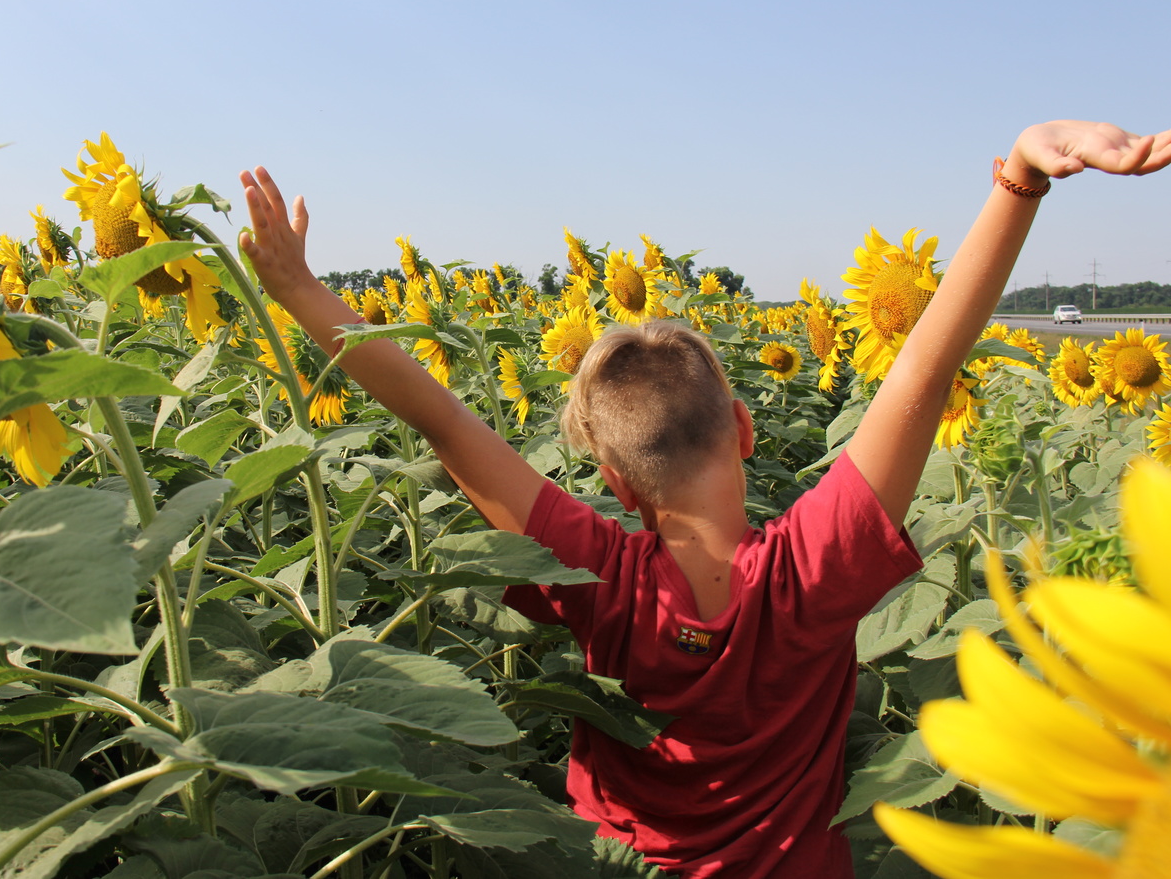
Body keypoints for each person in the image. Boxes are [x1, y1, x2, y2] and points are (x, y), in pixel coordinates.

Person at [235, 120, 1170, 878]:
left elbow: (440, 416)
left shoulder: (590, 572)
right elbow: (926, 360)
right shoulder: (813, 567)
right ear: (747, 431)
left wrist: (301, 288)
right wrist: (1019, 174)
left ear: (612, 480)